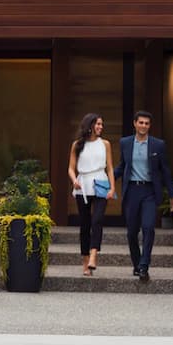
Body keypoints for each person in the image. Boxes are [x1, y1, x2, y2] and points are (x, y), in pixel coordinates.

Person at [114, 111, 173, 282]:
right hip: (132, 191)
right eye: (141, 122)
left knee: (149, 227)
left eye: (147, 123)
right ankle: (137, 264)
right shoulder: (125, 143)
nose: (143, 126)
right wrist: (107, 180)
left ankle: (144, 265)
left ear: (150, 126)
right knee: (131, 233)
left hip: (150, 191)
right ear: (135, 123)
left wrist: (172, 195)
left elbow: (165, 171)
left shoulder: (158, 145)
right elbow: (121, 166)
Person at [68, 113, 115, 276]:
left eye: (102, 124)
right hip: (83, 185)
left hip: (100, 183)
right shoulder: (77, 145)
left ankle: (94, 254)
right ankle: (85, 260)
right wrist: (74, 180)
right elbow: (71, 167)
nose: (101, 127)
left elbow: (109, 167)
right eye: (98, 124)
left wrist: (112, 188)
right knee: (85, 224)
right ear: (89, 125)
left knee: (98, 220)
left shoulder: (106, 144)